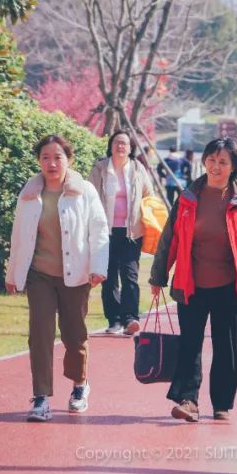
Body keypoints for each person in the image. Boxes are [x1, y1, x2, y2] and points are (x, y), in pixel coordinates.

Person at [149, 138, 237, 423]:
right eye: (211, 160)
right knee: (190, 344)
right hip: (192, 283)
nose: (215, 167)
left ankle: (222, 404)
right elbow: (170, 237)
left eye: (223, 162)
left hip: (230, 285)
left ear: (234, 167)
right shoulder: (189, 197)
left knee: (226, 347)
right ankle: (188, 400)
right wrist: (159, 274)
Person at [6, 135, 110, 422]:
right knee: (39, 334)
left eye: (57, 157)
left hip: (75, 275)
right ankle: (40, 398)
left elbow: (99, 230)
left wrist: (98, 266)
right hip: (39, 274)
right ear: (38, 161)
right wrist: (13, 272)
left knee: (74, 334)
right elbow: (19, 234)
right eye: (45, 158)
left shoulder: (84, 191)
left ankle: (79, 385)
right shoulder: (29, 194)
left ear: (69, 160)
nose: (51, 163)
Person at [87, 130, 156, 336]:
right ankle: (114, 319)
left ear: (131, 148)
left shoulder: (137, 168)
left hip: (131, 232)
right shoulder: (100, 168)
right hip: (104, 232)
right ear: (110, 145)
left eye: (125, 143)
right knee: (108, 277)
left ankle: (130, 318)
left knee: (130, 275)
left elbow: (149, 194)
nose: (120, 147)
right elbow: (89, 195)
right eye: (117, 142)